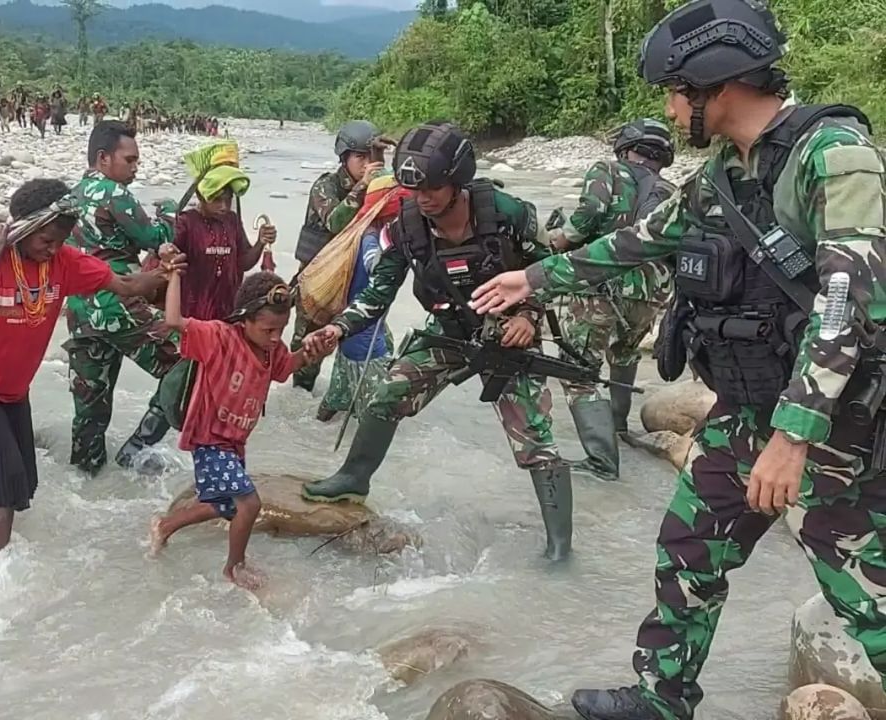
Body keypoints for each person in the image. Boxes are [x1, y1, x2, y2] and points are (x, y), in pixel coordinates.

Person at [469, 1, 886, 718]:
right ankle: (661, 698)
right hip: (748, 408)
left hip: (829, 424)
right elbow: (642, 240)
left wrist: (793, 437)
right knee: (690, 547)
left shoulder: (834, 157)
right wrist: (533, 279)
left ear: (715, 87)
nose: (668, 108)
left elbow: (847, 303)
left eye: (673, 91)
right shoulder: (726, 169)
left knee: (865, 593)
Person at [301, 122, 574, 562]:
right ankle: (354, 476)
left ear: (458, 181)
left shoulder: (508, 214)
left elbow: (553, 272)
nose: (423, 197)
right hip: (448, 330)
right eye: (414, 188)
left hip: (508, 335)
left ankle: (560, 548)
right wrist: (336, 329)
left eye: (432, 187)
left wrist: (528, 315)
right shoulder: (406, 225)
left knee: (536, 441)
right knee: (385, 394)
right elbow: (377, 294)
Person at [0, 179, 173, 567]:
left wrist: (166, 273)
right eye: (46, 239)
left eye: (60, 240)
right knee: (4, 485)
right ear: (25, 228)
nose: (53, 248)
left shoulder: (64, 263)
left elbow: (127, 284)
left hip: (11, 390)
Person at [149, 267, 331, 588]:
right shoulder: (218, 337)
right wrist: (175, 275)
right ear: (243, 319)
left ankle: (165, 526)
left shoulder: (270, 349)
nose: (275, 338)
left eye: (281, 329)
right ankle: (234, 568)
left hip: (234, 442)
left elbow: (286, 369)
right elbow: (175, 321)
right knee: (249, 503)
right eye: (268, 330)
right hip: (210, 438)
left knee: (224, 505)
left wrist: (311, 352)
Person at [548, 119, 676, 481]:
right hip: (651, 294)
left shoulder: (607, 170)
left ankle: (602, 460)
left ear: (624, 147)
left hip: (602, 287)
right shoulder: (670, 189)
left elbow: (588, 215)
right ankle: (618, 428)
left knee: (577, 371)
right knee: (625, 353)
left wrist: (560, 240)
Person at [65, 121, 178, 474]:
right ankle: (137, 448)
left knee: (90, 406)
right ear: (103, 158)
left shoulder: (70, 196)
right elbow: (150, 237)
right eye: (129, 159)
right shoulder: (114, 193)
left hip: (81, 311)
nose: (135, 166)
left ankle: (86, 475)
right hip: (118, 305)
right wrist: (170, 215)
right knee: (188, 362)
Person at [291, 120, 385, 393]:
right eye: (359, 156)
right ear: (344, 158)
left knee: (374, 348)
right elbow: (335, 221)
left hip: (355, 285)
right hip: (318, 286)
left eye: (370, 157)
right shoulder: (325, 187)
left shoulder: (377, 189)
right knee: (307, 356)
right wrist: (362, 187)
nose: (366, 163)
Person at [315, 175, 405, 423]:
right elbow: (375, 266)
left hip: (351, 331)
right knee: (376, 411)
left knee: (337, 397)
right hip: (366, 340)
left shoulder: (360, 231)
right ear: (390, 213)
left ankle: (314, 433)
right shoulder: (372, 240)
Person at [172, 141, 275, 321]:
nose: (224, 206)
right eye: (217, 200)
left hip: (228, 312)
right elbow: (170, 265)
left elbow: (243, 263)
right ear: (200, 196)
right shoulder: (186, 223)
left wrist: (261, 242)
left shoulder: (232, 221)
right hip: (193, 316)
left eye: (228, 200)